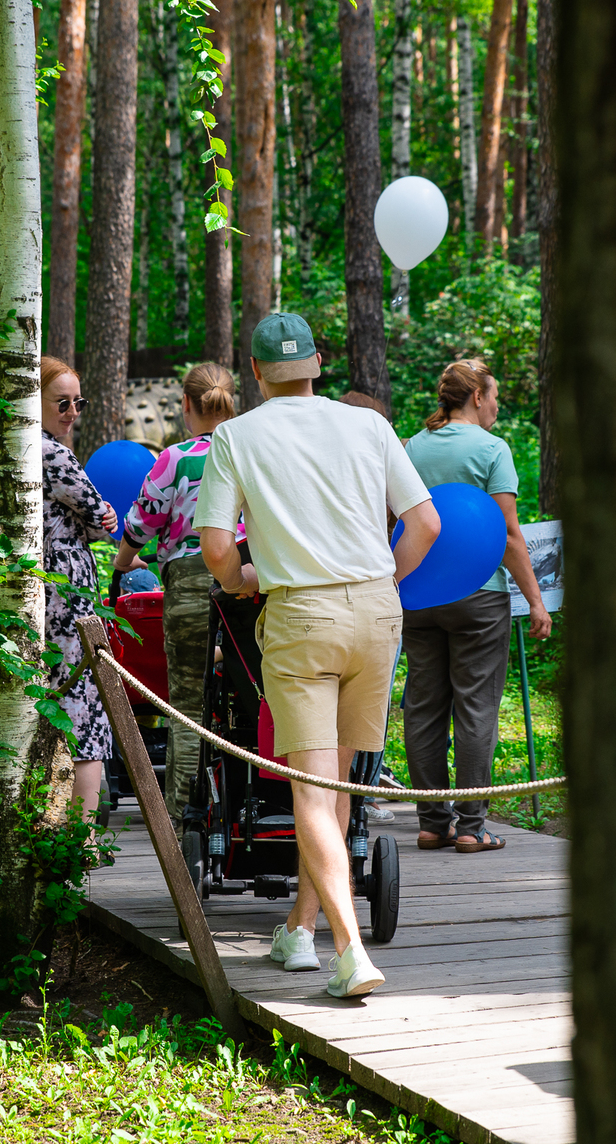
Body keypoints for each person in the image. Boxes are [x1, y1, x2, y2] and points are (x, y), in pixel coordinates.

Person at [195, 313, 441, 999]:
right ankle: (300, 930)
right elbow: (426, 522)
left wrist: (238, 579)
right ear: (318, 362)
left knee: (311, 788)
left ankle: (351, 951)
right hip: (375, 611)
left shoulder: (235, 437)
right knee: (341, 787)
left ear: (254, 372)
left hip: (300, 613)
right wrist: (384, 580)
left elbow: (218, 548)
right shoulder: (367, 424)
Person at [401, 359, 553, 855]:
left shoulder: (412, 446)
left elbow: (395, 521)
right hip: (480, 597)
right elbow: (509, 535)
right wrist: (535, 600)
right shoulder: (492, 449)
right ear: (476, 397)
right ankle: (471, 826)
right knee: (477, 705)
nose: (497, 405)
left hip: (418, 594)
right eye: (494, 395)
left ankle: (431, 823)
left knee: (423, 706)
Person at [112, 362, 239, 826]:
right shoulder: (252, 454)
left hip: (188, 584)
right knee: (249, 699)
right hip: (246, 584)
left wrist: (124, 562)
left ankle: (180, 814)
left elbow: (141, 522)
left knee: (187, 704)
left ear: (185, 405)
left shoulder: (175, 459)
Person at [38, 356, 119, 821]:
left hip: (45, 583)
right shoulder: (53, 454)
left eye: (78, 402)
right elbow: (95, 512)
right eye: (61, 402)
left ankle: (59, 829)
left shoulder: (20, 449)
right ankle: (82, 838)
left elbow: (96, 518)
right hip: (66, 587)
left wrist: (98, 517)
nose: (72, 411)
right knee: (83, 707)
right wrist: (99, 515)